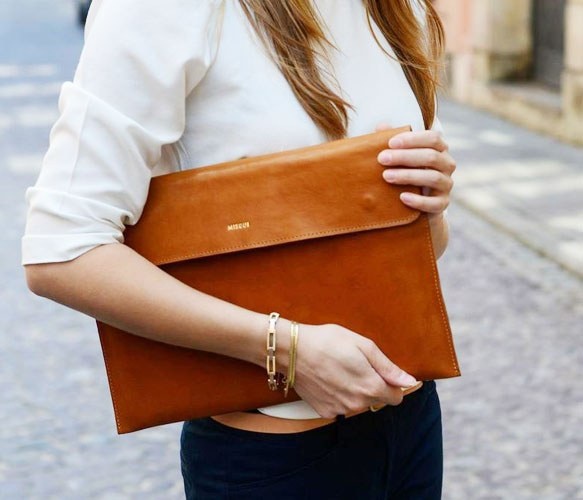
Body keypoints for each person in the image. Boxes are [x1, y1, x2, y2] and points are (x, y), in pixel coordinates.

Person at [23, 0, 456, 498]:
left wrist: (429, 205)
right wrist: (288, 350)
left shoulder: (396, 9)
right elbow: (61, 253)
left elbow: (425, 249)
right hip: (278, 453)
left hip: (411, 422)